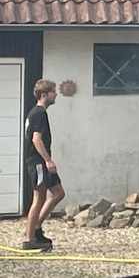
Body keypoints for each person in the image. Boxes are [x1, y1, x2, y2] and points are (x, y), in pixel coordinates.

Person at [22, 79, 64, 251]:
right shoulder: (38, 113)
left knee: (58, 193)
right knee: (38, 198)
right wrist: (48, 160)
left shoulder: (39, 113)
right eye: (53, 91)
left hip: (42, 162)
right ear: (44, 95)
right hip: (38, 162)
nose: (56, 94)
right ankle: (29, 238)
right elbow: (36, 139)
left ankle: (37, 228)